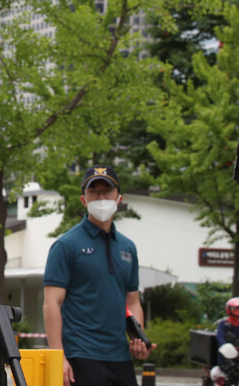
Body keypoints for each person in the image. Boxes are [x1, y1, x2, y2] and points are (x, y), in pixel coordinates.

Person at [43, 165, 155, 386]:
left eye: (107, 191)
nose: (101, 197)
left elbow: (132, 300)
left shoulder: (128, 248)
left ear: (119, 199)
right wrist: (59, 357)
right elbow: (51, 303)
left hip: (121, 357)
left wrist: (138, 339)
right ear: (83, 200)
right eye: (94, 192)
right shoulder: (66, 245)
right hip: (81, 355)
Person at [210, 296, 239, 385]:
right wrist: (227, 347)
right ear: (229, 310)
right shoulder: (223, 324)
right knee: (234, 368)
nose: (238, 310)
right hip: (227, 358)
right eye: (236, 308)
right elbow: (220, 338)